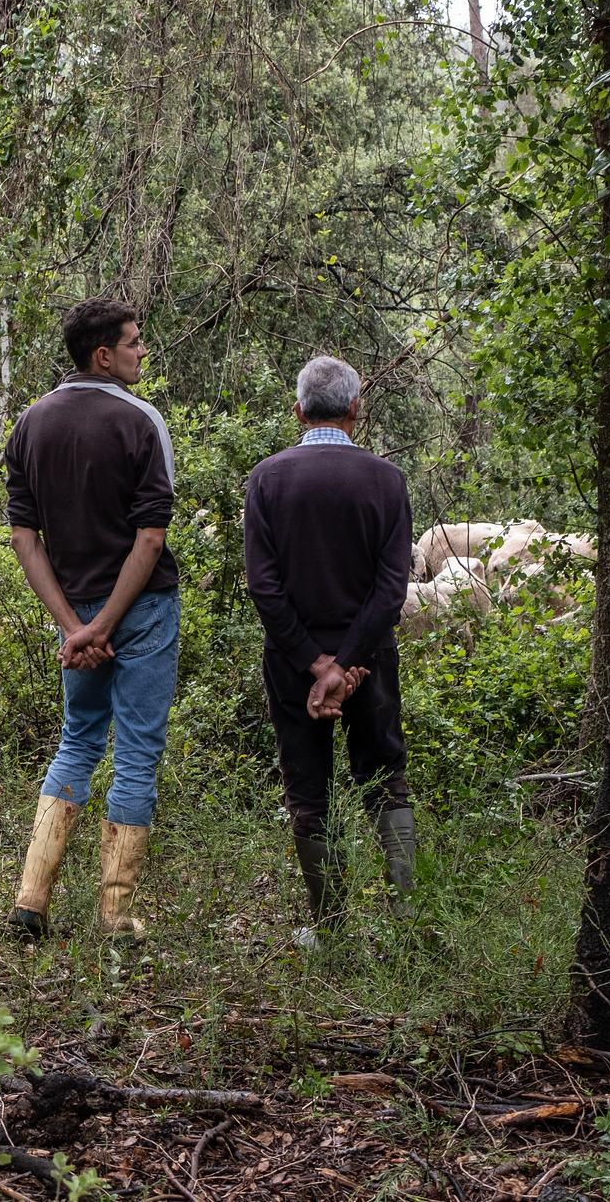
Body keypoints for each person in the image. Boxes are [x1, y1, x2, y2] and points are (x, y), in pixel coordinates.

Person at [2, 297, 181, 943]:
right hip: (142, 610)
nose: (141, 351)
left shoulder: (29, 423)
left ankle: (31, 897)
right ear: (103, 354)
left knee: (77, 737)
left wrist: (75, 626)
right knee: (136, 750)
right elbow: (151, 538)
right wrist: (106, 624)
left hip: (73, 611)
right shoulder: (142, 421)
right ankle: (114, 914)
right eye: (134, 342)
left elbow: (26, 538)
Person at [242, 356, 416, 931]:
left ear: (298, 411)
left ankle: (329, 925)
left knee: (308, 793)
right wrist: (346, 664)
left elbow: (263, 587)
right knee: (385, 778)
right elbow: (392, 588)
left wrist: (315, 664)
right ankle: (406, 917)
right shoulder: (387, 481)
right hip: (370, 662)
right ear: (355, 409)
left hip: (293, 666)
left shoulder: (267, 479)